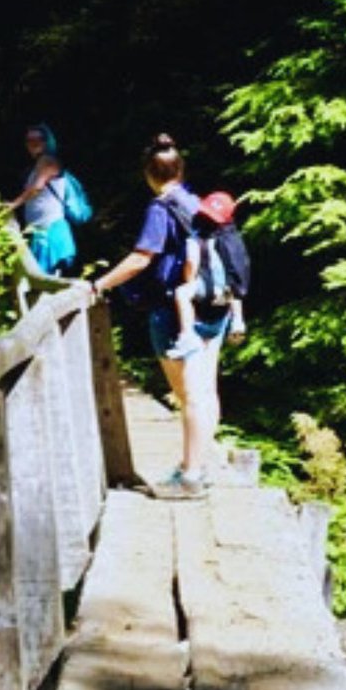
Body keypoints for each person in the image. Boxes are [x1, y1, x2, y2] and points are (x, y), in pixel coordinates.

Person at [85, 133, 229, 499]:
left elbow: (141, 258)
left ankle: (192, 476)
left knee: (190, 396)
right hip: (214, 306)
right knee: (206, 391)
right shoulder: (196, 202)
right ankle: (197, 465)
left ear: (149, 173)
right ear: (180, 169)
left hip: (176, 310)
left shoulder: (161, 208)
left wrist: (98, 285)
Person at [164, 190, 246, 360]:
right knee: (233, 287)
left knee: (181, 293)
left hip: (207, 290)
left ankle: (186, 337)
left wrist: (190, 283)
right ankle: (238, 321)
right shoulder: (231, 238)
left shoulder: (196, 239)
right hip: (226, 293)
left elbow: (191, 264)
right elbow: (236, 274)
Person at [5, 123, 76, 275]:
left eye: (38, 139)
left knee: (45, 280)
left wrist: (12, 205)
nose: (33, 143)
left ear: (47, 141)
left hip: (50, 231)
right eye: (29, 140)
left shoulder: (49, 161)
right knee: (41, 280)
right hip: (40, 232)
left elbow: (37, 187)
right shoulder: (37, 165)